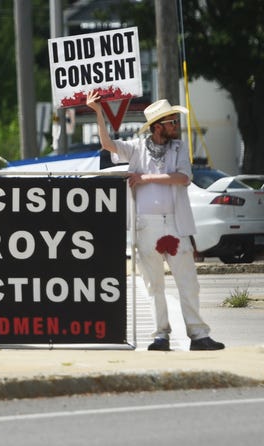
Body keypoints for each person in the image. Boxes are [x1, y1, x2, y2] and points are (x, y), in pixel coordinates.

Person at [86, 91, 225, 351]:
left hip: (174, 222)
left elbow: (183, 177)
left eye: (175, 121)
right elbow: (107, 144)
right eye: (171, 121)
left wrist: (144, 178)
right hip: (146, 224)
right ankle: (160, 334)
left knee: (188, 281)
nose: (176, 126)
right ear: (158, 126)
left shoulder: (179, 148)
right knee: (154, 283)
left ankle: (198, 334)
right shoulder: (138, 148)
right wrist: (98, 112)